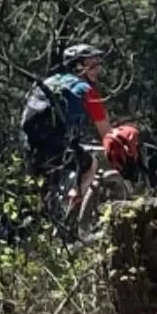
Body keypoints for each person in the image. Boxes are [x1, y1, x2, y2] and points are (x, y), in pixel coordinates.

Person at [35, 42, 111, 224]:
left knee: (38, 191)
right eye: (91, 64)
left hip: (31, 143)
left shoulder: (49, 82)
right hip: (56, 147)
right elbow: (108, 134)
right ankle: (70, 216)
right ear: (77, 66)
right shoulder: (86, 90)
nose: (97, 69)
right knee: (91, 164)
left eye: (98, 63)